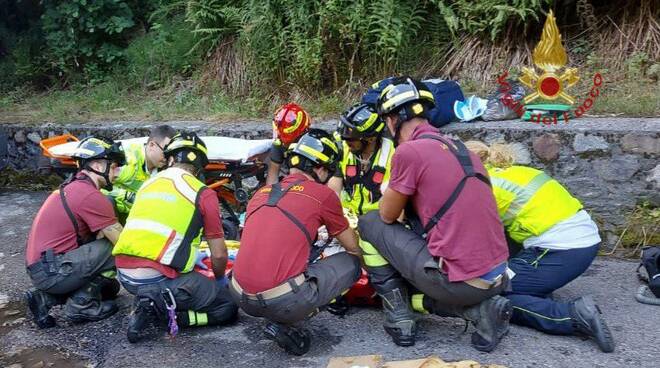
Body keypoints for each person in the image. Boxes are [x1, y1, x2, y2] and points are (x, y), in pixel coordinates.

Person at [358, 77, 512, 352]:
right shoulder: (464, 149)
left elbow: (387, 215)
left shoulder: (409, 152)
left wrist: (389, 191)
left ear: (393, 120)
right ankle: (482, 310)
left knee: (368, 222)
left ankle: (399, 317)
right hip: (500, 276)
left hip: (462, 284)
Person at [464, 140, 615, 353]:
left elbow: (470, 237)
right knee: (504, 273)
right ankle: (535, 292)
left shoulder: (486, 187)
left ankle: (572, 316)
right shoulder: (511, 172)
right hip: (579, 241)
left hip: (561, 250)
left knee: (493, 293)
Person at [230, 129, 362, 356]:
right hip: (284, 301)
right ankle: (288, 323)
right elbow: (352, 246)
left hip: (240, 295)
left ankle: (279, 314)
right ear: (320, 169)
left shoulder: (262, 193)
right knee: (352, 263)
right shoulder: (321, 195)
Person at [112, 132, 238, 343]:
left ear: (170, 159)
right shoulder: (201, 192)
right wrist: (219, 279)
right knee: (228, 306)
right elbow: (219, 253)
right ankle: (165, 314)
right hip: (158, 279)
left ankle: (149, 301)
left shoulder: (147, 184)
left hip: (125, 277)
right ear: (199, 168)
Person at [25, 136, 125, 328]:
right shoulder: (89, 195)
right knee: (113, 248)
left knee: (110, 289)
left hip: (44, 268)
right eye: (114, 167)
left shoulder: (75, 187)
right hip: (53, 271)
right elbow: (122, 242)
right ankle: (81, 306)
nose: (117, 173)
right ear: (97, 165)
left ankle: (45, 299)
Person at [328, 103, 395, 217]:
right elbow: (333, 192)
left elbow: (397, 207)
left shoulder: (393, 155)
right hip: (347, 217)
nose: (346, 141)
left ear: (371, 138)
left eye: (351, 138)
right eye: (344, 137)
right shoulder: (343, 149)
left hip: (378, 221)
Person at [106, 125, 176, 219]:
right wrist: (129, 196)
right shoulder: (127, 160)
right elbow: (96, 187)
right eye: (165, 151)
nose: (168, 157)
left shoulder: (168, 167)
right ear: (151, 145)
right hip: (118, 215)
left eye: (172, 152)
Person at [266, 103, 311, 185]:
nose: (285, 143)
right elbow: (271, 180)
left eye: (291, 140)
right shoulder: (279, 144)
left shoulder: (313, 145)